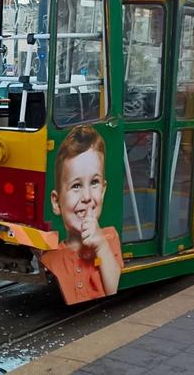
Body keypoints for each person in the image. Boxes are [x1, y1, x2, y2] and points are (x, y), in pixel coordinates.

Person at [40, 125, 123, 305]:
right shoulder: (50, 257)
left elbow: (114, 290)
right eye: (76, 186)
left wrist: (101, 246)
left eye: (94, 182)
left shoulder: (109, 238)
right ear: (56, 202)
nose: (86, 197)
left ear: (102, 192)